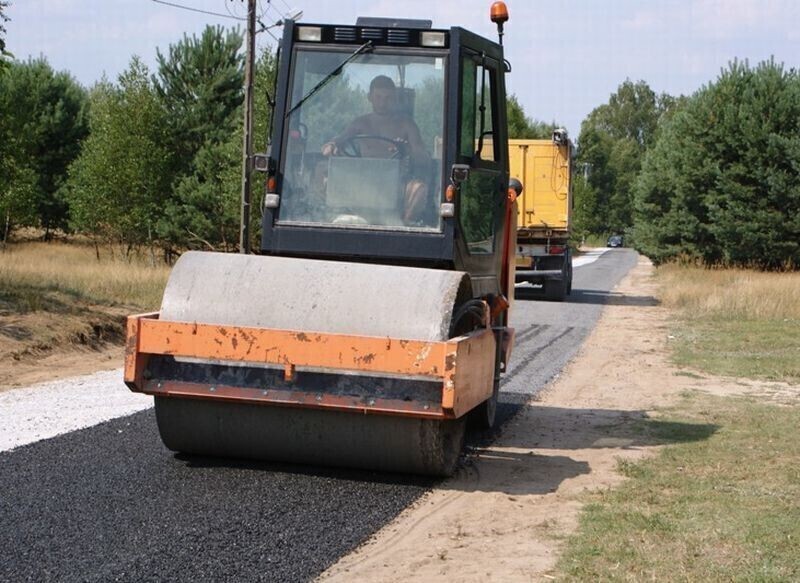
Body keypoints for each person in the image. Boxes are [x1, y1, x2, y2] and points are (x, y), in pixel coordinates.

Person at [321, 75, 430, 224]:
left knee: (420, 189)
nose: (382, 102)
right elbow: (336, 142)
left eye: (387, 98)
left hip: (398, 185)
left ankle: (403, 228)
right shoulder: (360, 123)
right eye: (378, 97)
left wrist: (408, 150)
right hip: (361, 183)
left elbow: (423, 158)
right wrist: (331, 146)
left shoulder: (406, 124)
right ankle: (324, 220)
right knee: (323, 176)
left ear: (394, 98)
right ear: (369, 97)